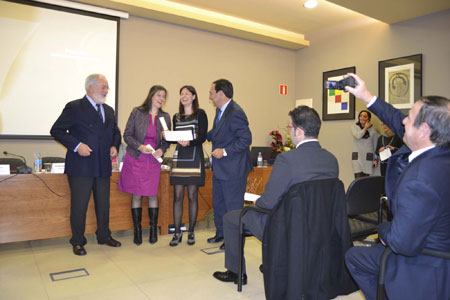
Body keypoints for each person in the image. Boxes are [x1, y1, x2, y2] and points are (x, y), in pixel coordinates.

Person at [344, 73, 450, 300]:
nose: (402, 121)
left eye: (409, 118)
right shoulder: (441, 150)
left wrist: (383, 230)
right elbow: (394, 117)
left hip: (426, 259)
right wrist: (366, 96)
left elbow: (402, 243)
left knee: (355, 257)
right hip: (439, 240)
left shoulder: (420, 180)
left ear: (423, 130)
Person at [213, 106, 339, 285]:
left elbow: (268, 203)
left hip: (285, 228)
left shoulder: (287, 160)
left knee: (231, 218)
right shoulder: (331, 160)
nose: (289, 130)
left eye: (289, 127)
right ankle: (276, 260)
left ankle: (235, 272)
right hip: (318, 225)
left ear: (299, 131)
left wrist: (256, 200)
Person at [50, 74, 122, 256]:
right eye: (103, 87)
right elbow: (56, 130)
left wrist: (114, 145)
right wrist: (77, 145)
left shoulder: (109, 110)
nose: (106, 91)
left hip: (103, 165)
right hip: (81, 166)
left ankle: (104, 236)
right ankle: (77, 241)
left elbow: (115, 132)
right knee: (79, 206)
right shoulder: (74, 107)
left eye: (107, 88)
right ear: (90, 87)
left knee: (104, 205)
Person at [118, 85, 171, 245]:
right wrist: (140, 147)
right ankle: (138, 231)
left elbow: (167, 140)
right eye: (159, 95)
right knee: (137, 195)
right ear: (151, 96)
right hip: (137, 157)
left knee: (152, 194)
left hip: (153, 160)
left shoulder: (165, 117)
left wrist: (162, 149)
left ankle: (153, 230)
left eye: (163, 96)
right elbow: (127, 134)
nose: (161, 99)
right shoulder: (137, 112)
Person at [206, 79, 252, 248]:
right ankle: (221, 233)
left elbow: (246, 139)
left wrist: (224, 151)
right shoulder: (220, 111)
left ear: (221, 94)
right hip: (220, 168)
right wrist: (198, 135)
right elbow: (216, 132)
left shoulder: (235, 112)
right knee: (219, 203)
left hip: (234, 169)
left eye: (211, 93)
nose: (210, 97)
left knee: (232, 207)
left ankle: (232, 241)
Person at [169, 85, 208, 246]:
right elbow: (173, 138)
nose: (183, 96)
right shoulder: (176, 116)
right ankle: (177, 233)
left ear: (193, 97)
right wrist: (169, 137)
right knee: (177, 196)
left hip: (194, 157)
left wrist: (190, 142)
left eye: (187, 93)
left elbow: (203, 136)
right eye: (181, 94)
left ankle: (191, 232)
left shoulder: (200, 113)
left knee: (192, 195)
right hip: (179, 157)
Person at [351, 110, 379, 178]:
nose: (362, 118)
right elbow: (358, 136)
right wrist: (365, 128)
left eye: (365, 116)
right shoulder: (354, 127)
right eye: (360, 116)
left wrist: (375, 158)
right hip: (357, 157)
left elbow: (375, 145)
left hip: (368, 157)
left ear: (368, 119)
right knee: (358, 179)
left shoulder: (373, 131)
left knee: (366, 180)